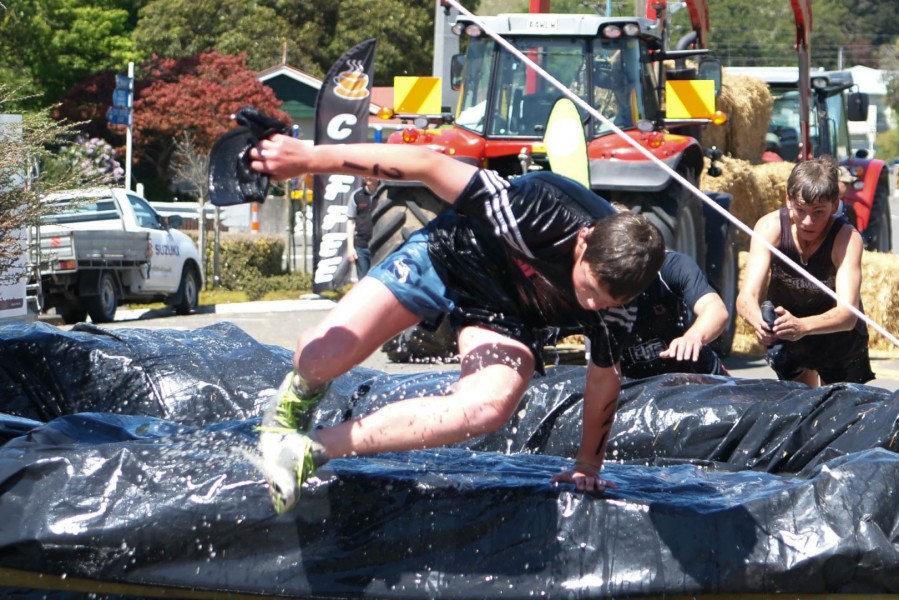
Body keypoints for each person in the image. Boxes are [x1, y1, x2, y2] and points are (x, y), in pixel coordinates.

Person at [249, 137, 665, 513]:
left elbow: (603, 378)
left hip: (506, 316)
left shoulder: (623, 304)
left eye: (607, 301)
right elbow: (425, 163)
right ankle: (300, 392)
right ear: (582, 241)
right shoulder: (534, 208)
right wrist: (309, 158)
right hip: (447, 255)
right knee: (320, 359)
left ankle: (308, 450)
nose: (591, 304)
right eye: (588, 287)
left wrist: (588, 464)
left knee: (489, 406)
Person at [736, 155, 874, 388]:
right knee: (802, 401)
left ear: (834, 205)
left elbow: (847, 315)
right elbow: (745, 298)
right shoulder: (770, 227)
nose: (808, 221)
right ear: (788, 200)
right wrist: (758, 322)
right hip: (789, 329)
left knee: (837, 407)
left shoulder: (847, 239)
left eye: (818, 212)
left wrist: (803, 326)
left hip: (837, 335)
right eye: (800, 210)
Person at [620, 250, 730, 380]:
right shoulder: (600, 281)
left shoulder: (671, 265)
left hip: (694, 371)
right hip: (632, 381)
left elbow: (715, 308)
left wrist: (693, 336)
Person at [345, 176, 379, 279]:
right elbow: (351, 222)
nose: (368, 177)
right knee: (363, 280)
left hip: (380, 246)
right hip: (361, 247)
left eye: (371, 174)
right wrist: (350, 248)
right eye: (365, 174)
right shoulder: (356, 195)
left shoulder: (384, 194)